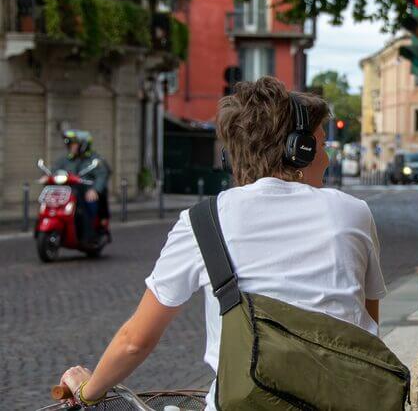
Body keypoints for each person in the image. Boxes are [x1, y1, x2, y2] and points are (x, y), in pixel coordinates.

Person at [57, 77, 387, 409]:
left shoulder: (204, 221)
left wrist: (88, 390)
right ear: (298, 151)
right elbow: (367, 325)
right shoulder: (353, 213)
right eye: (321, 145)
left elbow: (135, 342)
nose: (327, 158)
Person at [53, 130, 110, 244]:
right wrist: (48, 177)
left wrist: (95, 189)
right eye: (70, 145)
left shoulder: (95, 159)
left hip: (86, 192)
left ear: (83, 145)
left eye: (74, 144)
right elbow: (55, 170)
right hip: (68, 192)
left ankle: (89, 234)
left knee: (87, 206)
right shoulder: (66, 159)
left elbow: (102, 175)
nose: (71, 147)